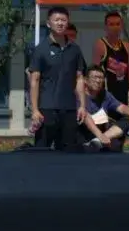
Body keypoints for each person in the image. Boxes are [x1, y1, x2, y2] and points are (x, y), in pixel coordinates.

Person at [29, 8, 89, 151]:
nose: (60, 23)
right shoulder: (41, 50)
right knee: (41, 152)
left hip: (69, 109)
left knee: (67, 153)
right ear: (48, 23)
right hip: (46, 109)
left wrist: (82, 105)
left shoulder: (75, 49)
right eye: (56, 20)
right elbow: (34, 80)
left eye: (63, 20)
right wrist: (35, 110)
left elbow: (79, 78)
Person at [80, 66, 129, 152]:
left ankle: (97, 142)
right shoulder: (79, 95)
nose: (98, 81)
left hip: (102, 132)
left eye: (101, 78)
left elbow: (121, 107)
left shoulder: (105, 94)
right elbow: (85, 117)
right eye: (95, 77)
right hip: (86, 131)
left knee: (127, 119)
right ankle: (97, 142)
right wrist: (100, 136)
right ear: (86, 80)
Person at [91, 11, 129, 106]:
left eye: (118, 24)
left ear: (121, 26)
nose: (115, 27)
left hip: (123, 94)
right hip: (106, 96)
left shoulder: (127, 46)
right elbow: (94, 73)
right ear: (105, 27)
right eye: (111, 24)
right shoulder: (100, 45)